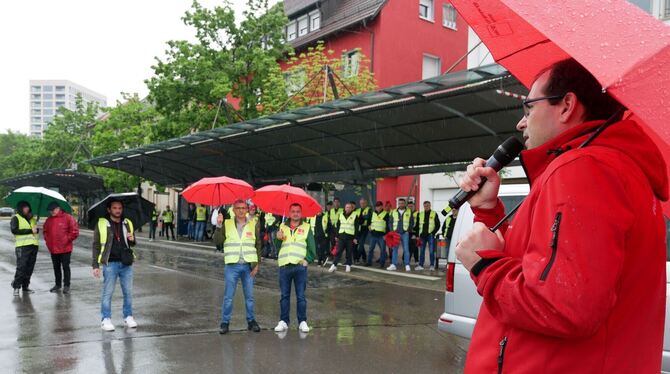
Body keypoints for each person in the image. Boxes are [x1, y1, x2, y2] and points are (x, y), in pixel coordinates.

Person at [455, 58, 667, 373]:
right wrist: (488, 211)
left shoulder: (584, 169)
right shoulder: (615, 170)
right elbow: (533, 265)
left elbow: (562, 307)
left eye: (528, 108)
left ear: (567, 105)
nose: (521, 123)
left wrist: (485, 266)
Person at [213, 199, 262, 335]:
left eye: (243, 208)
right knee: (228, 297)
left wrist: (257, 264)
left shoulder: (253, 224)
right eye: (238, 208)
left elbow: (258, 245)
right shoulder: (226, 223)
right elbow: (217, 242)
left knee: (250, 296)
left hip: (248, 266)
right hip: (232, 266)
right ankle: (225, 322)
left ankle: (251, 321)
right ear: (233, 210)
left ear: (247, 210)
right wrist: (218, 225)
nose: (241, 210)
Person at [92, 199, 138, 332]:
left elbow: (133, 243)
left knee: (128, 292)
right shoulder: (101, 223)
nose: (118, 210)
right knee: (108, 293)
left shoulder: (127, 223)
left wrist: (132, 239)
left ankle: (128, 316)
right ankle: (105, 319)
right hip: (110, 263)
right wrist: (95, 265)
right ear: (109, 210)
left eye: (119, 208)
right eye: (115, 208)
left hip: (126, 263)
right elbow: (95, 245)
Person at [273, 203, 316, 334]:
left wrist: (307, 260)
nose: (295, 213)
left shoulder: (307, 227)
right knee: (284, 296)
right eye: (293, 211)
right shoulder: (282, 226)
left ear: (301, 213)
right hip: (284, 266)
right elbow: (277, 246)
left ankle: (302, 321)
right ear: (289, 213)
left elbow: (312, 248)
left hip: (299, 267)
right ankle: (284, 321)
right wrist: (278, 238)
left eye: (298, 211)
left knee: (301, 296)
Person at [43, 202, 79, 293]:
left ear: (58, 208)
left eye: (53, 210)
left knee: (65, 267)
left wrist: (66, 240)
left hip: (65, 248)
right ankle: (58, 284)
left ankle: (67, 285)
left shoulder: (68, 218)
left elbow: (75, 231)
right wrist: (48, 242)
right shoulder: (49, 220)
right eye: (50, 211)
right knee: (56, 267)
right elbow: (45, 231)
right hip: (53, 248)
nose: (52, 212)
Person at [10, 201, 39, 296]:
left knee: (29, 268)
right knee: (21, 268)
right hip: (22, 247)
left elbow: (35, 231)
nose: (27, 209)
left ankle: (25, 286)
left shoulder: (32, 219)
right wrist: (30, 230)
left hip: (33, 246)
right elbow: (14, 230)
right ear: (21, 208)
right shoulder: (16, 218)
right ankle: (16, 287)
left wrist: (36, 230)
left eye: (28, 207)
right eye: (25, 207)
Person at [328, 201, 359, 273]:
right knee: (338, 251)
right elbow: (338, 226)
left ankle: (348, 265)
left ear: (352, 208)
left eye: (349, 207)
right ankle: (334, 265)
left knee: (349, 252)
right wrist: (337, 235)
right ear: (344, 208)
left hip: (350, 237)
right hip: (341, 236)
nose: (347, 209)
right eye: (346, 207)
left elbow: (357, 227)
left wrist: (355, 238)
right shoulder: (341, 215)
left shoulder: (355, 215)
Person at [387, 199, 413, 272]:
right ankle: (393, 265)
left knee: (406, 249)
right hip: (396, 233)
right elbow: (390, 222)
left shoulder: (409, 211)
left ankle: (407, 264)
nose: (401, 204)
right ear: (398, 204)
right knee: (394, 249)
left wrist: (408, 230)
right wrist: (392, 231)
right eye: (400, 203)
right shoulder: (393, 211)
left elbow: (411, 222)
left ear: (405, 204)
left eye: (402, 203)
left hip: (405, 233)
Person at [414, 201, 440, 271]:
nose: (426, 207)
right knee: (422, 251)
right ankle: (421, 265)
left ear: (430, 205)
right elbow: (416, 226)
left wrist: (433, 233)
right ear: (423, 206)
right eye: (425, 206)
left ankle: (432, 265)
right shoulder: (420, 214)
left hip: (430, 235)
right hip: (422, 236)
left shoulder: (434, 213)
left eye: (428, 206)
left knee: (431, 251)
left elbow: (438, 225)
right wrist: (417, 235)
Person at [366, 201, 389, 268]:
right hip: (373, 235)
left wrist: (386, 234)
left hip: (382, 235)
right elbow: (368, 222)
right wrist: (370, 229)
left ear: (382, 206)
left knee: (382, 250)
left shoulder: (385, 214)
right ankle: (369, 262)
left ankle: (382, 264)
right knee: (370, 249)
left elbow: (388, 225)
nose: (378, 208)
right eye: (377, 207)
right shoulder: (372, 213)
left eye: (379, 206)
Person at [354, 198, 371, 264]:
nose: (362, 204)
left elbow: (368, 217)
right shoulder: (358, 210)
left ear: (366, 203)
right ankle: (364, 258)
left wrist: (361, 217)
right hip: (358, 229)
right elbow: (356, 218)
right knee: (359, 243)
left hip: (365, 228)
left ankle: (357, 258)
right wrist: (362, 217)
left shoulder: (369, 209)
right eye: (361, 203)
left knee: (361, 244)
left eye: (363, 203)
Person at [407, 201, 419, 265]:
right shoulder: (406, 213)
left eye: (411, 206)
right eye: (409, 206)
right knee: (408, 246)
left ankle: (416, 260)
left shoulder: (417, 213)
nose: (410, 207)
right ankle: (407, 259)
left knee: (415, 246)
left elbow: (418, 224)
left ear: (414, 206)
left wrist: (416, 234)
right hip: (407, 232)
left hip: (414, 232)